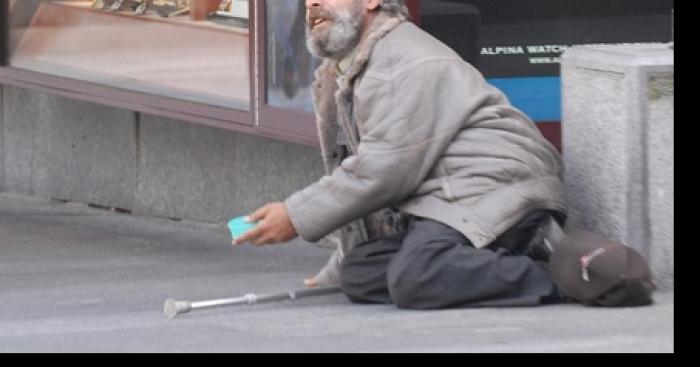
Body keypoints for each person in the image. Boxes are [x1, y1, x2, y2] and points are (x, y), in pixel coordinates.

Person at [233, 0, 569, 309]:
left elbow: (383, 170)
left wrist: (295, 215)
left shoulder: (401, 62)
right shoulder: (351, 67)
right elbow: (357, 173)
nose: (312, 4)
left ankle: (559, 277)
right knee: (359, 273)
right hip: (447, 197)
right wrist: (339, 264)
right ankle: (501, 256)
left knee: (417, 275)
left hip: (499, 186)